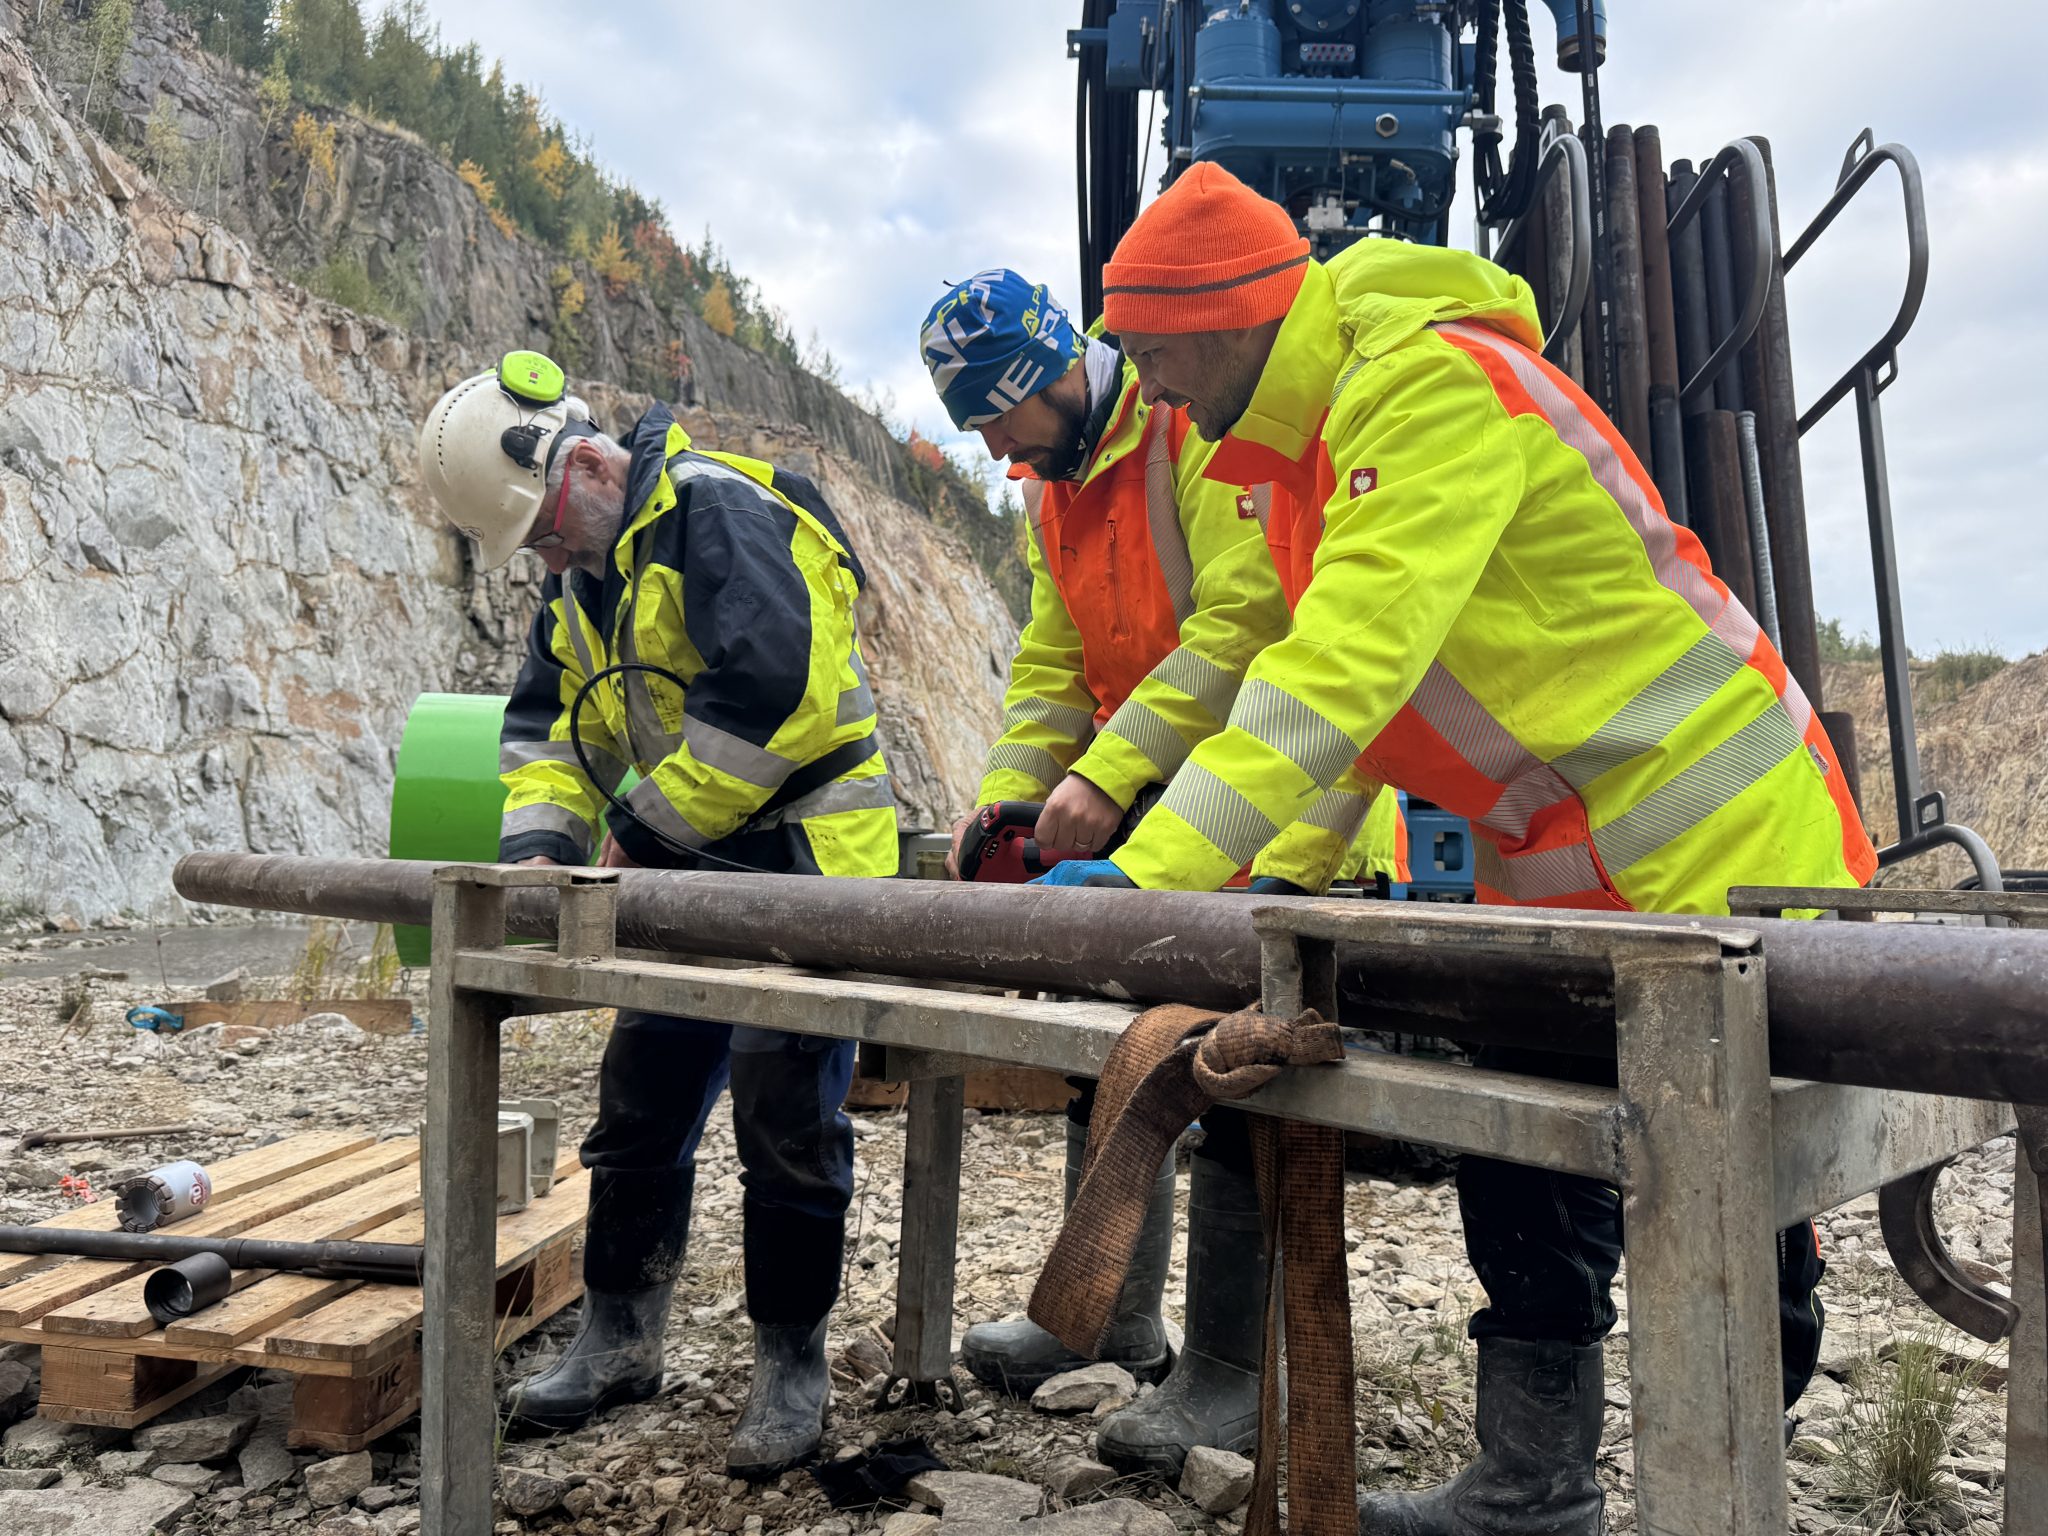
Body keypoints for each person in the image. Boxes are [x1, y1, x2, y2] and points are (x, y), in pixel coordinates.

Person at [1037, 165, 1873, 1534]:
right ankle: (1533, 1490)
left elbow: (1348, 667)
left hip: (1717, 846)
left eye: (1150, 353)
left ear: (1228, 317)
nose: (1151, 391)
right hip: (1558, 868)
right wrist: (1224, 852)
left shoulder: (1423, 387)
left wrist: (1158, 866)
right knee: (1525, 1167)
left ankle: (1734, 1473)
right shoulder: (1291, 455)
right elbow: (1286, 670)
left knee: (1729, 1185)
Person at [416, 351, 898, 1477]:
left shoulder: (716, 513)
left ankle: (791, 1360)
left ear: (582, 461)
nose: (543, 555)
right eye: (529, 544)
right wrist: (537, 851)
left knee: (785, 1112)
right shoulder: (584, 577)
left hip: (799, 857)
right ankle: (621, 1336)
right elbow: (545, 735)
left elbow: (769, 702)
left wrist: (633, 837)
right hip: (683, 859)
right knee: (641, 1098)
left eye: (541, 530)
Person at [920, 270, 1345, 1474]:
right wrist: (1012, 790)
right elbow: (1052, 659)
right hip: (1152, 811)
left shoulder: (1190, 434)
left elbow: (1244, 625)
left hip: (1260, 796)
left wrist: (1108, 773)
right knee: (1121, 1059)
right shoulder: (1055, 491)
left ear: (1044, 377)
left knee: (1232, 1078)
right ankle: (1104, 1316)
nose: (998, 451)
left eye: (996, 419)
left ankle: (1222, 1381)